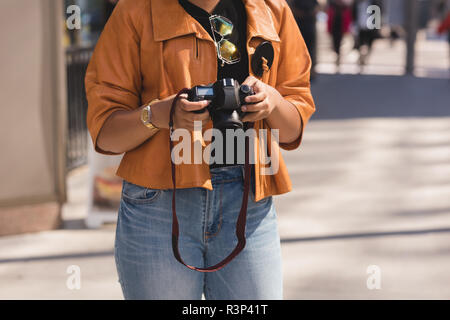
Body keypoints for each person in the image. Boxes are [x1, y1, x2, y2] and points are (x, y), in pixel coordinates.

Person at [85, 0, 315, 300]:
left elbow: (293, 128)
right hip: (158, 205)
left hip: (249, 201)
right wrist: (159, 114)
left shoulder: (270, 9)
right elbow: (106, 133)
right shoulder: (136, 10)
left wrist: (272, 102)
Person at [288, 0, 320, 80]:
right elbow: (291, 8)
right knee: (299, 50)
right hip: (299, 26)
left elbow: (317, 7)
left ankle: (311, 71)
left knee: (311, 50)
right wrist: (301, 14)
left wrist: (311, 13)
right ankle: (300, 73)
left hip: (310, 25)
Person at [352, 0, 382, 69]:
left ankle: (365, 58)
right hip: (360, 26)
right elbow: (354, 14)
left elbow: (377, 15)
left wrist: (377, 27)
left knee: (369, 45)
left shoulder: (374, 3)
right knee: (360, 44)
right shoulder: (357, 3)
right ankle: (361, 57)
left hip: (370, 27)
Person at [327, 0, 353, 69]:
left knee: (340, 43)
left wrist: (346, 28)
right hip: (334, 28)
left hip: (341, 28)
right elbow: (329, 18)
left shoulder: (344, 7)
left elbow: (348, 18)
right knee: (335, 43)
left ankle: (338, 57)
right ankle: (337, 56)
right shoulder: (332, 6)